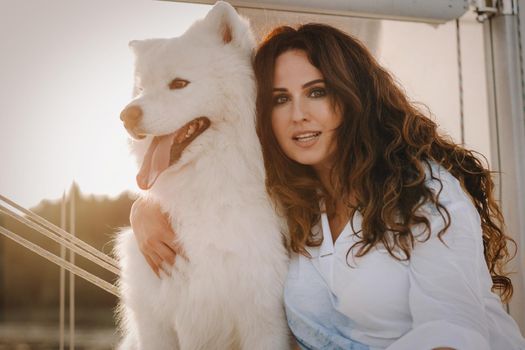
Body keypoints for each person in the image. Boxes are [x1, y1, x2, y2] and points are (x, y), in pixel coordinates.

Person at [130, 23, 525, 349]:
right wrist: (145, 208)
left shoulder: (426, 192)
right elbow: (213, 192)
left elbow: (453, 333)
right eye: (280, 99)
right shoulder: (286, 198)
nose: (298, 115)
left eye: (317, 92)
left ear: (354, 96)